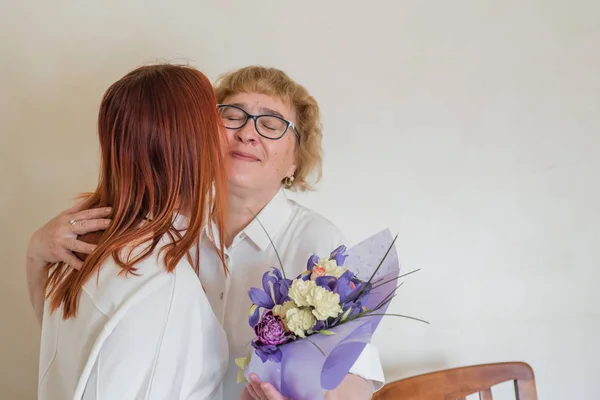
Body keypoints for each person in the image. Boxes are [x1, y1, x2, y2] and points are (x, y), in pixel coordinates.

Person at [25, 66, 385, 400]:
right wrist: (35, 254)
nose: (247, 133)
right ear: (203, 137)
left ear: (295, 160)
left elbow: (356, 377)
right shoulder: (155, 226)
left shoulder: (320, 245)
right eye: (233, 116)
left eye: (271, 124)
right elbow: (75, 336)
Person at [29, 64, 230, 400]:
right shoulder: (162, 286)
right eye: (216, 116)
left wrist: (34, 254)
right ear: (190, 143)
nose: (230, 133)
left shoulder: (75, 246)